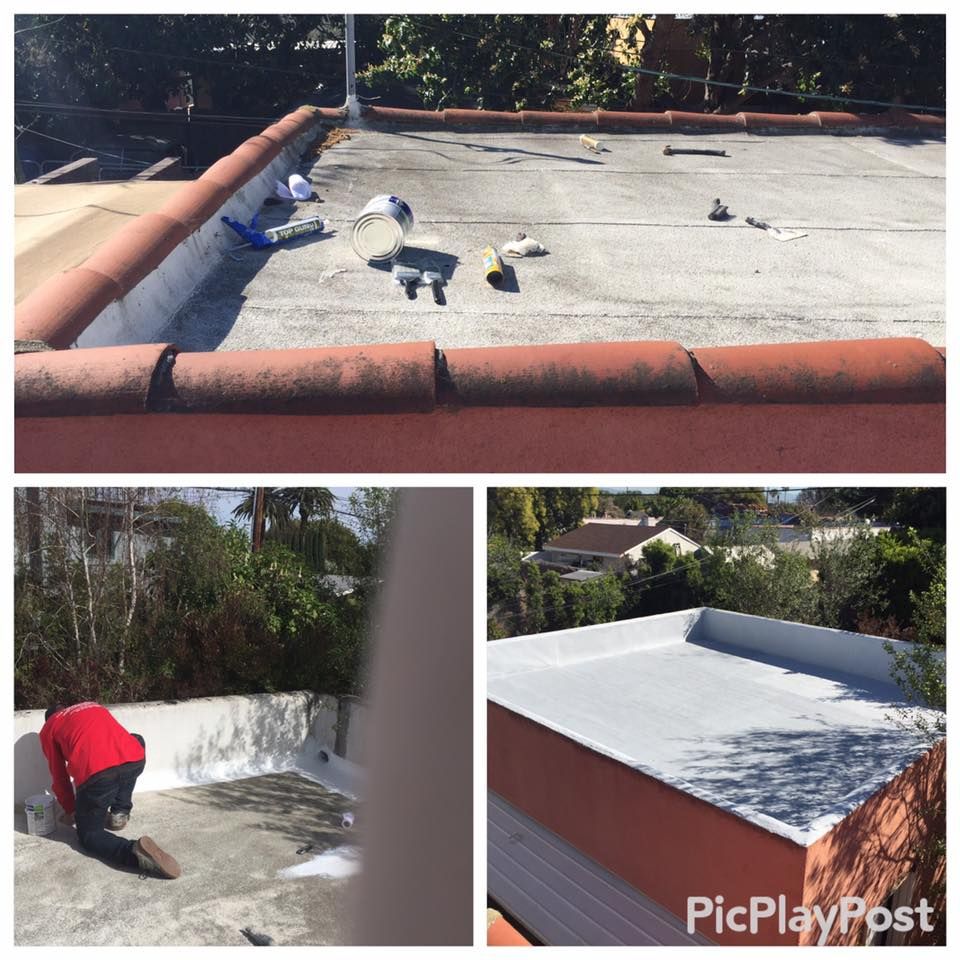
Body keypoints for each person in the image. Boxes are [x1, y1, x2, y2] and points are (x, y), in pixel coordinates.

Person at [39, 702, 181, 879]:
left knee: (89, 836)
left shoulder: (49, 728)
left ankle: (134, 852)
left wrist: (71, 809)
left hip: (99, 776)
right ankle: (120, 812)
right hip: (134, 759)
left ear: (48, 719)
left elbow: (59, 776)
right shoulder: (92, 706)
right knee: (135, 741)